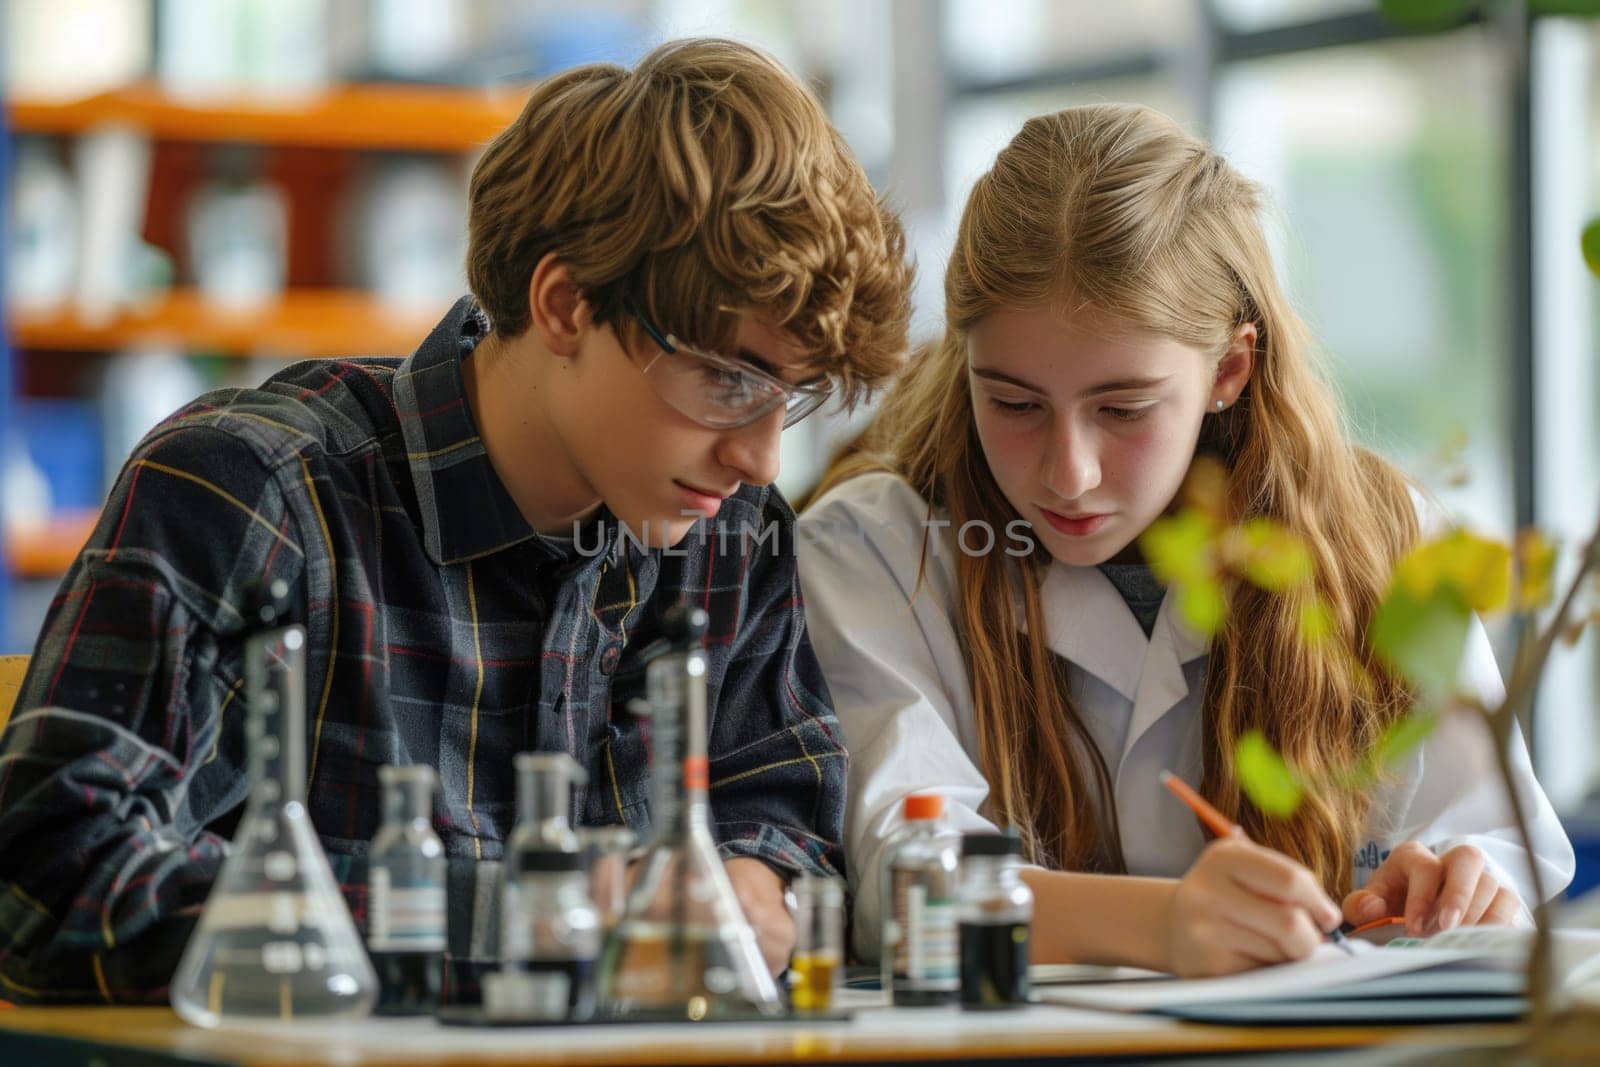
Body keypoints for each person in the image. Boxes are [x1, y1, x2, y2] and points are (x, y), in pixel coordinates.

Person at [0, 38, 912, 1003]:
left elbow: (785, 810)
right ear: (563, 305)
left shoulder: (730, 532)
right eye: (728, 380)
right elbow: (49, 880)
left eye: (792, 397)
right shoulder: (252, 492)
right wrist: (526, 918)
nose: (762, 458)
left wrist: (750, 886)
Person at [798, 103, 1573, 978]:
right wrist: (1162, 924)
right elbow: (903, 885)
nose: (1069, 472)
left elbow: (1498, 840)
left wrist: (1457, 885)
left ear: (1229, 370)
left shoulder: (1386, 541)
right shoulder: (874, 551)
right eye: (1012, 402)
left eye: (1122, 409)